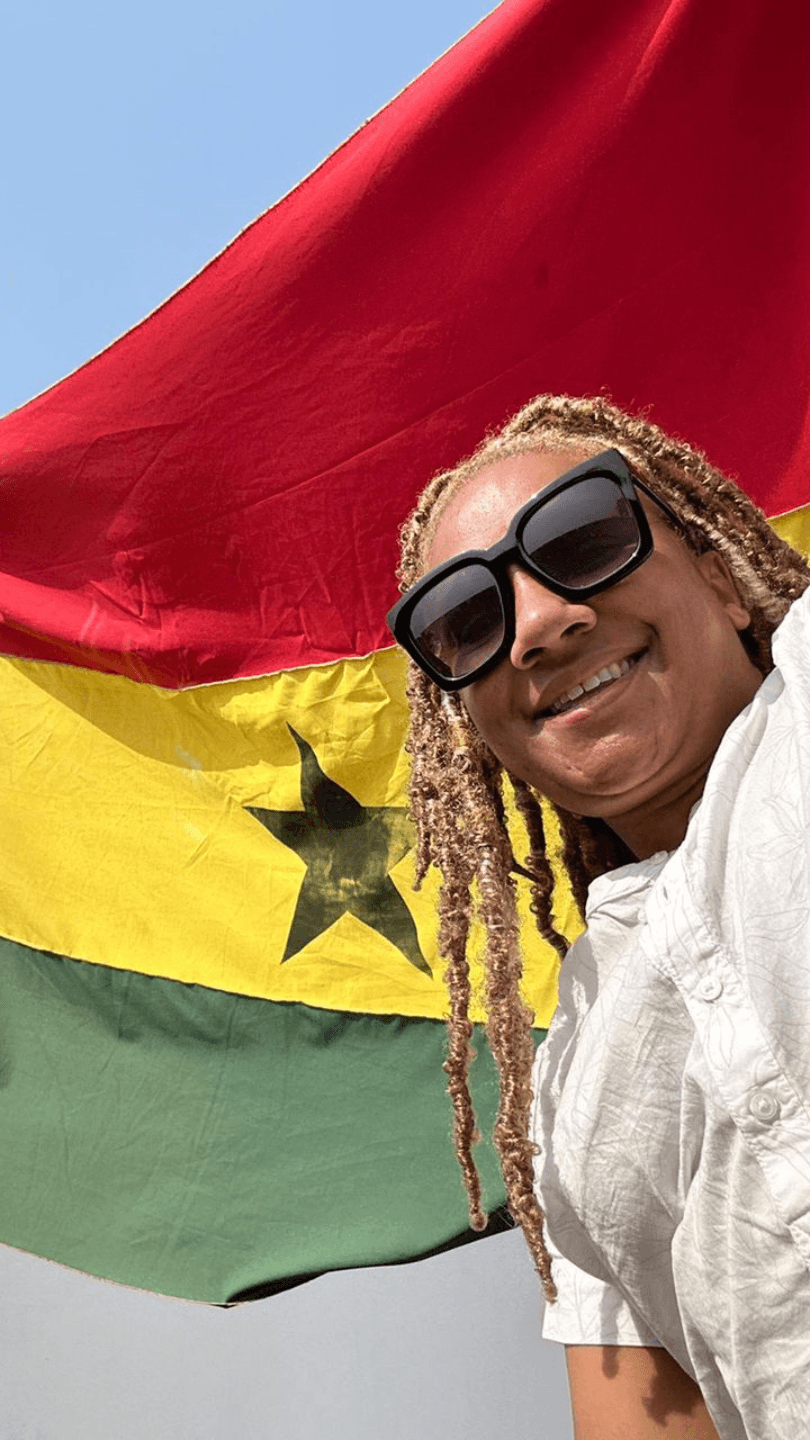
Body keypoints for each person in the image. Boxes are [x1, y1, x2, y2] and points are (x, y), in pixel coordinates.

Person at [387, 393, 810, 1440]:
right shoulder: (570, 1102)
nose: (538, 624)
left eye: (583, 539)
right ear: (471, 728)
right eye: (467, 621)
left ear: (721, 576)